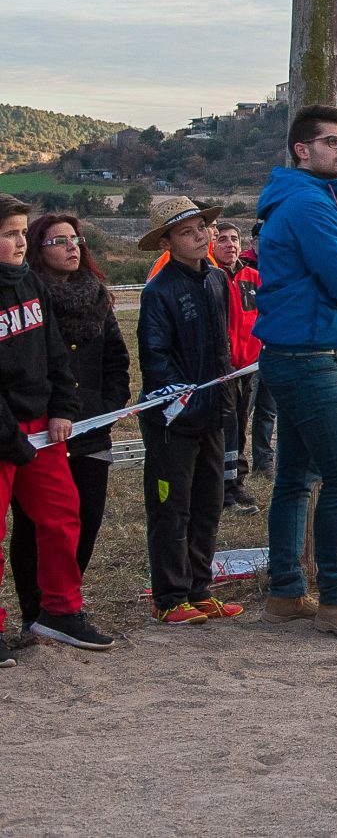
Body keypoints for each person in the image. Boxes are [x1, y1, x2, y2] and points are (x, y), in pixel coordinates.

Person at [252, 103, 337, 640]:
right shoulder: (310, 204)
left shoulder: (306, 201)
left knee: (294, 478)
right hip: (310, 359)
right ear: (302, 150)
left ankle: (286, 591)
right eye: (332, 141)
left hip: (293, 354)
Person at [0, 196, 115, 656]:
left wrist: (63, 407)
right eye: (10, 232)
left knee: (64, 516)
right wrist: (10, 436)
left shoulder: (30, 283)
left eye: (22, 232)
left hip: (42, 428)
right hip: (5, 432)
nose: (20, 240)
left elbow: (54, 353)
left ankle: (60, 612)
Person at [136, 196, 240, 627]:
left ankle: (199, 587)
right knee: (171, 506)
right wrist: (186, 400)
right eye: (186, 232)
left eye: (202, 228)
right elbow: (155, 357)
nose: (199, 236)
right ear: (167, 241)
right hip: (172, 420)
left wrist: (224, 395)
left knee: (208, 502)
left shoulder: (216, 280)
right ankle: (170, 595)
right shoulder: (159, 291)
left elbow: (223, 345)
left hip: (215, 413)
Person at [207, 220, 263, 513]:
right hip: (222, 368)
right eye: (223, 239)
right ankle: (222, 488)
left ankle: (238, 480)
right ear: (213, 245)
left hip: (249, 365)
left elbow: (264, 313)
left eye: (234, 239)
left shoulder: (252, 277)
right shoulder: (210, 277)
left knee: (241, 424)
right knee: (224, 426)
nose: (230, 244)